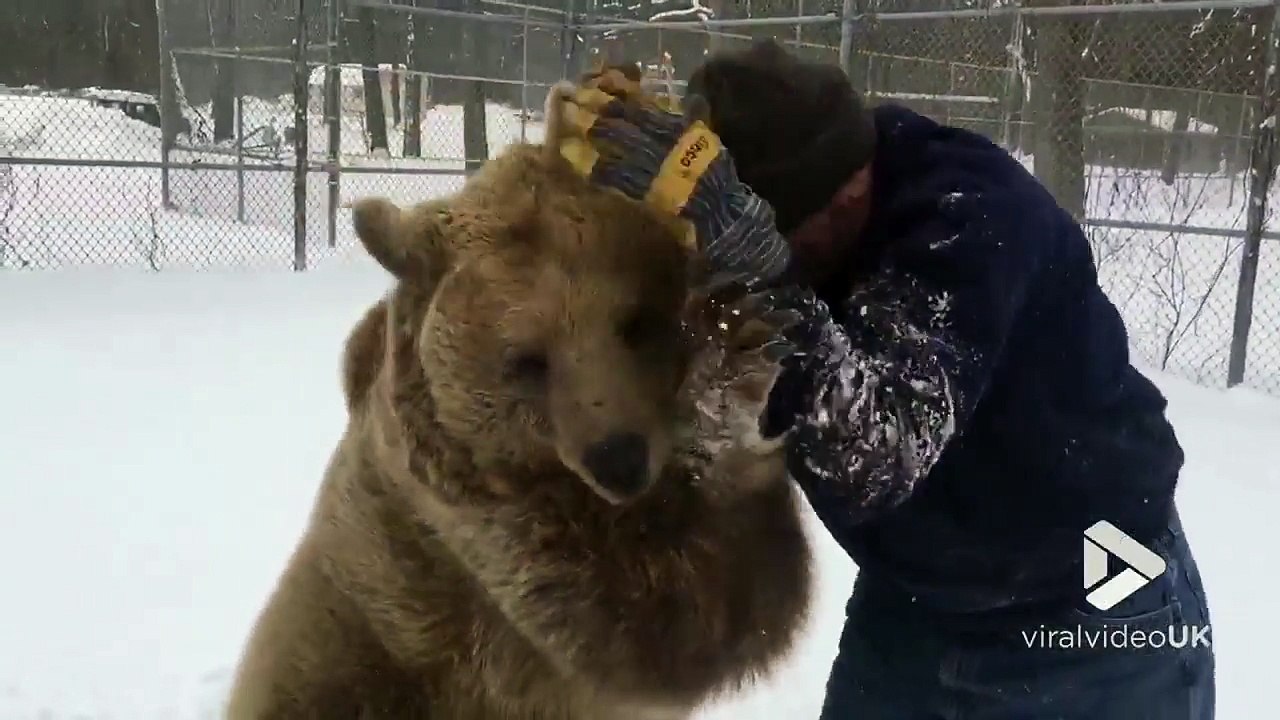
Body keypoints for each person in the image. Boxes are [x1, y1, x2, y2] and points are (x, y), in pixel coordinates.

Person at [552, 39, 1215, 719]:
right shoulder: (797, 226)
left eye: (773, 242)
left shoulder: (965, 216)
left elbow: (880, 449)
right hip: (919, 604)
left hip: (1094, 601)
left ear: (839, 202)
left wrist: (758, 264)